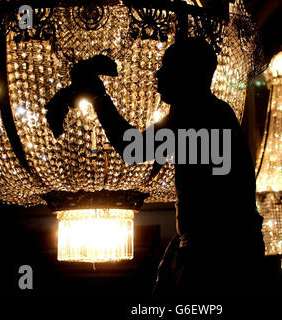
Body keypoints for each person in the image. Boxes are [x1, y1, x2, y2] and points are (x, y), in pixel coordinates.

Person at [72, 37, 265, 299]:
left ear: (187, 75)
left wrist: (98, 96)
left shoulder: (195, 114)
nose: (157, 74)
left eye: (167, 67)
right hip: (224, 250)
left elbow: (133, 149)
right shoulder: (210, 112)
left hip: (216, 257)